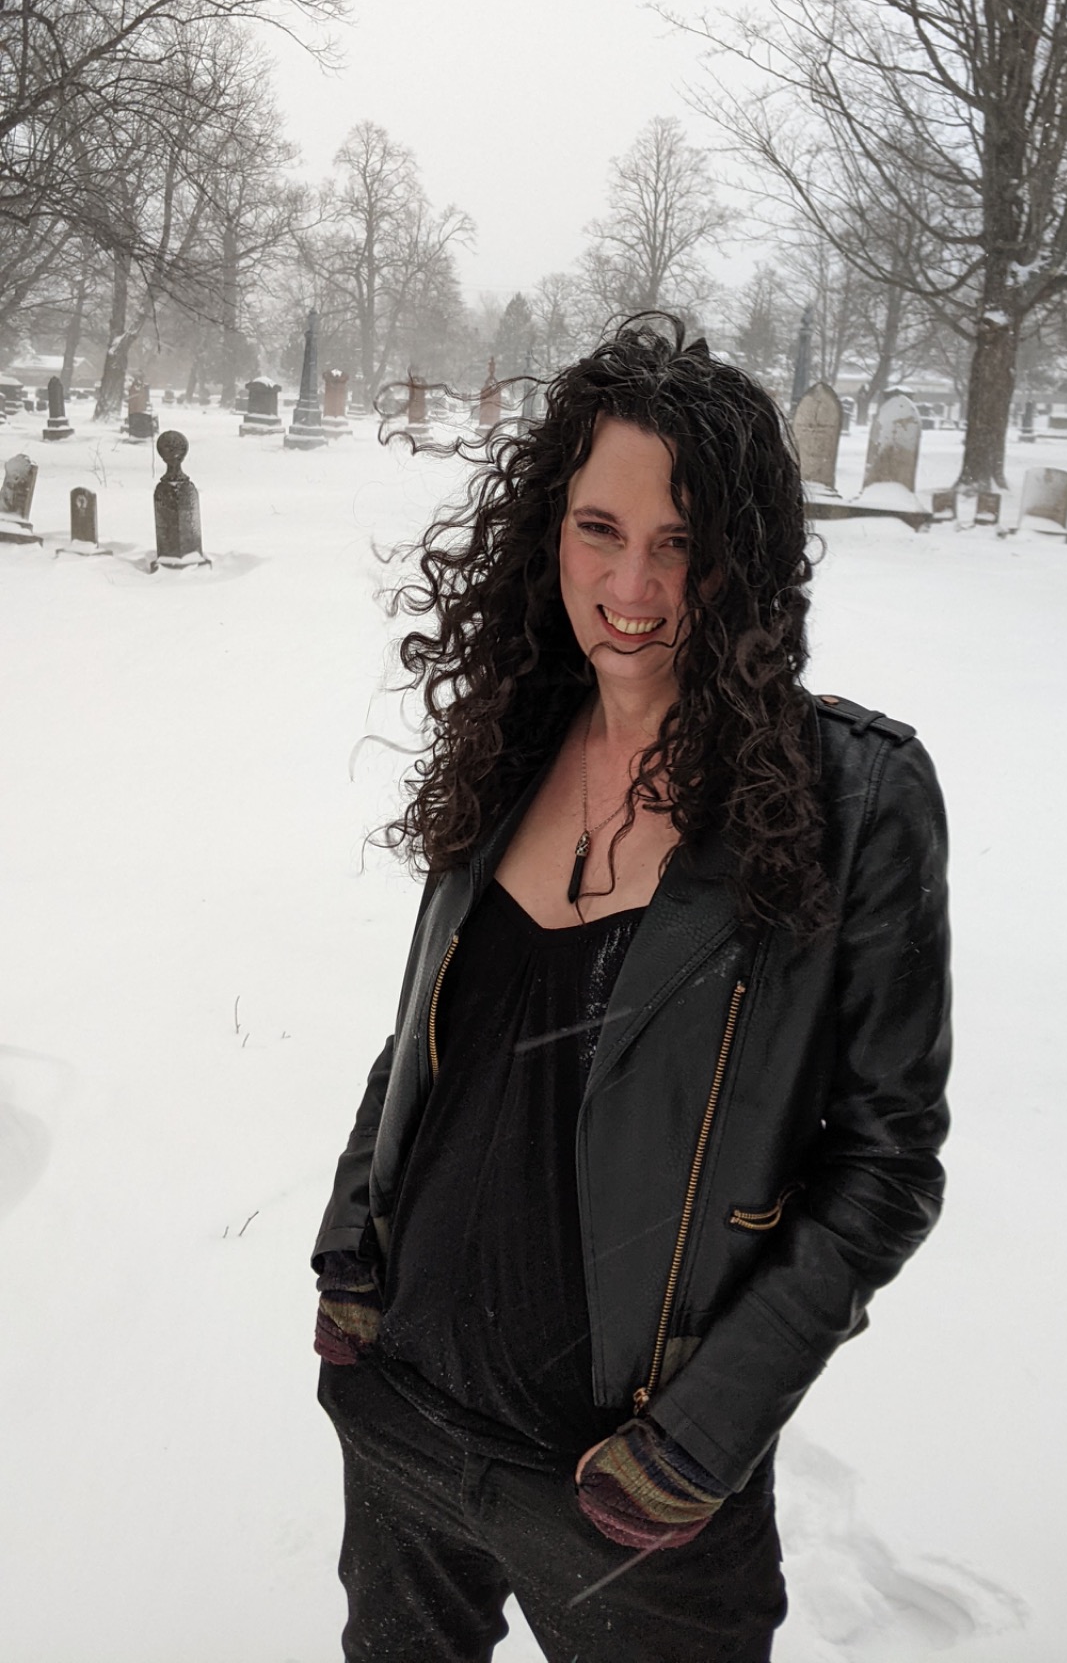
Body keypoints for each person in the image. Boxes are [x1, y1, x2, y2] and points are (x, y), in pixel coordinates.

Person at [313, 319, 951, 1663]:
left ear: (747, 561)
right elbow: (430, 1036)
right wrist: (351, 1263)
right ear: (550, 528)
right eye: (601, 529)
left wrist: (695, 1444)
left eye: (682, 543)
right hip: (404, 1429)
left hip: (629, 1499)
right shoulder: (514, 735)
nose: (635, 584)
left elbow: (886, 1163)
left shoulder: (852, 800)